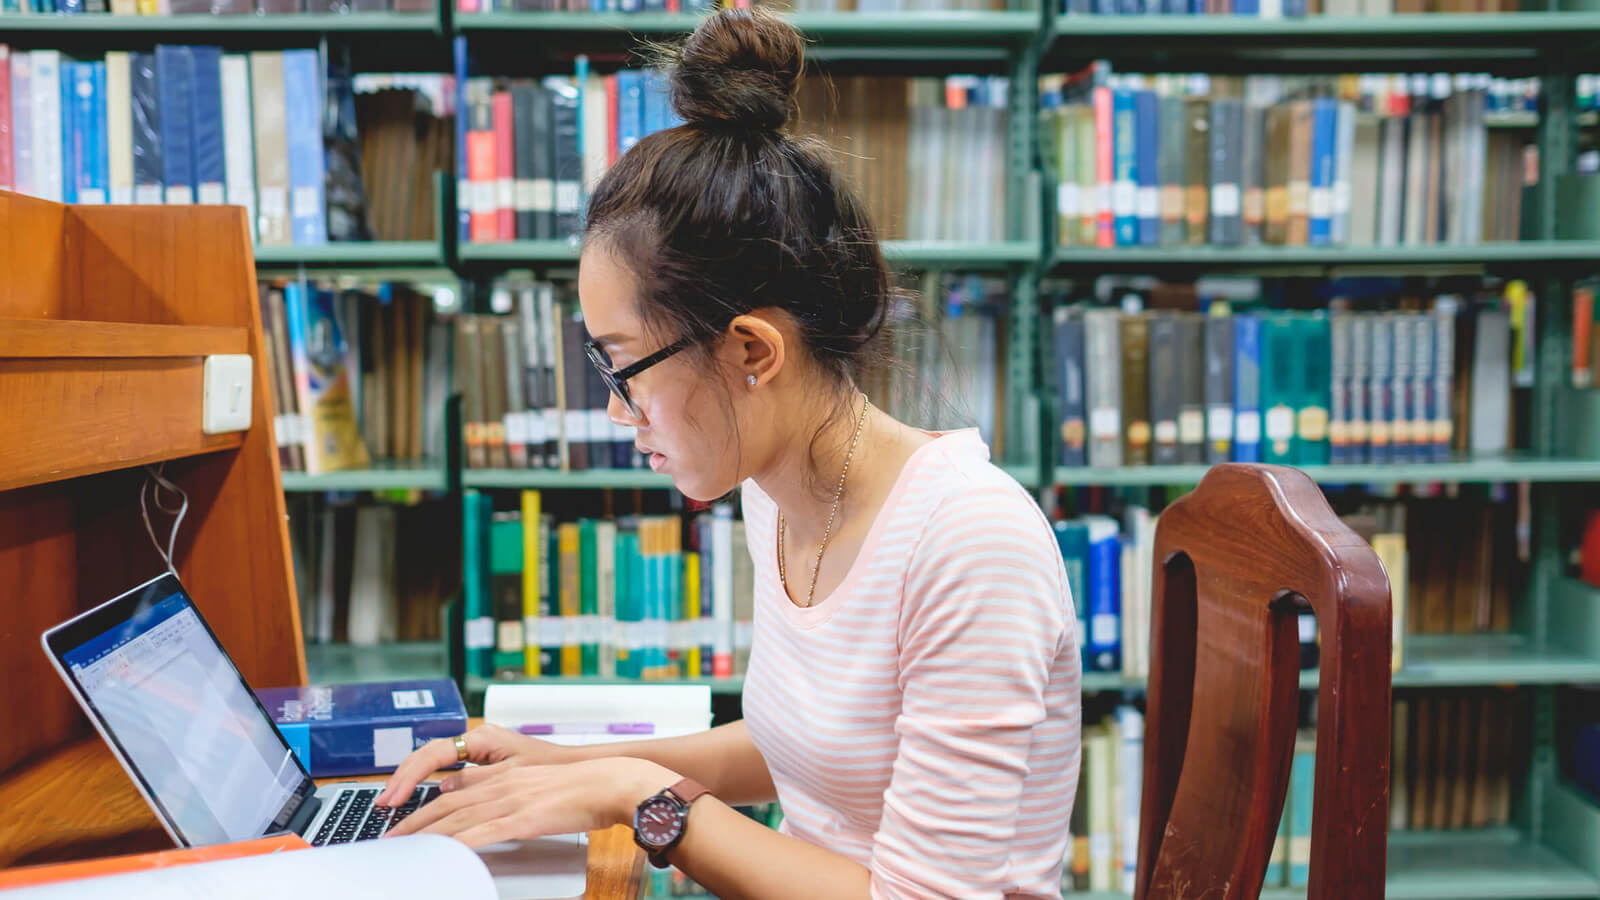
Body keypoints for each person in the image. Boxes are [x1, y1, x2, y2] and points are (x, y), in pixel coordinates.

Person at [380, 9, 1081, 897]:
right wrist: (566, 765)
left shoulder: (971, 543)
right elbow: (806, 745)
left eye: (626, 364)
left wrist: (638, 798)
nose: (613, 405)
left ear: (753, 351)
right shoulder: (776, 492)